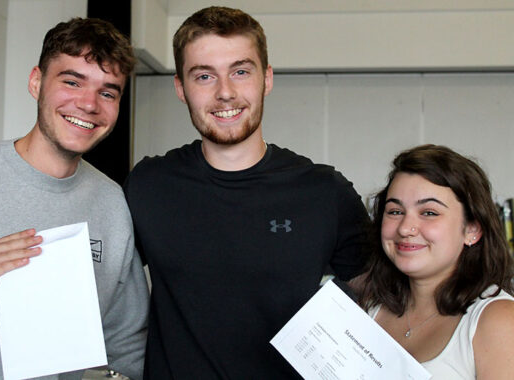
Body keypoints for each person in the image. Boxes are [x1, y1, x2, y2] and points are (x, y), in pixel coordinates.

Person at [123, 6, 369, 379]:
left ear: (266, 79)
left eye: (240, 71)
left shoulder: (322, 191)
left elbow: (381, 291)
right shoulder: (150, 185)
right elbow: (101, 286)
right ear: (180, 88)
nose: (225, 92)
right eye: (204, 76)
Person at [0, 18, 149, 379]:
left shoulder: (111, 203)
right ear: (36, 82)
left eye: (108, 92)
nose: (89, 104)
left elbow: (126, 342)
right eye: (72, 82)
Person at [358, 144, 514, 379]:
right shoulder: (369, 310)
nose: (405, 228)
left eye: (429, 212)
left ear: (472, 229)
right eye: (395, 211)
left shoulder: (498, 320)